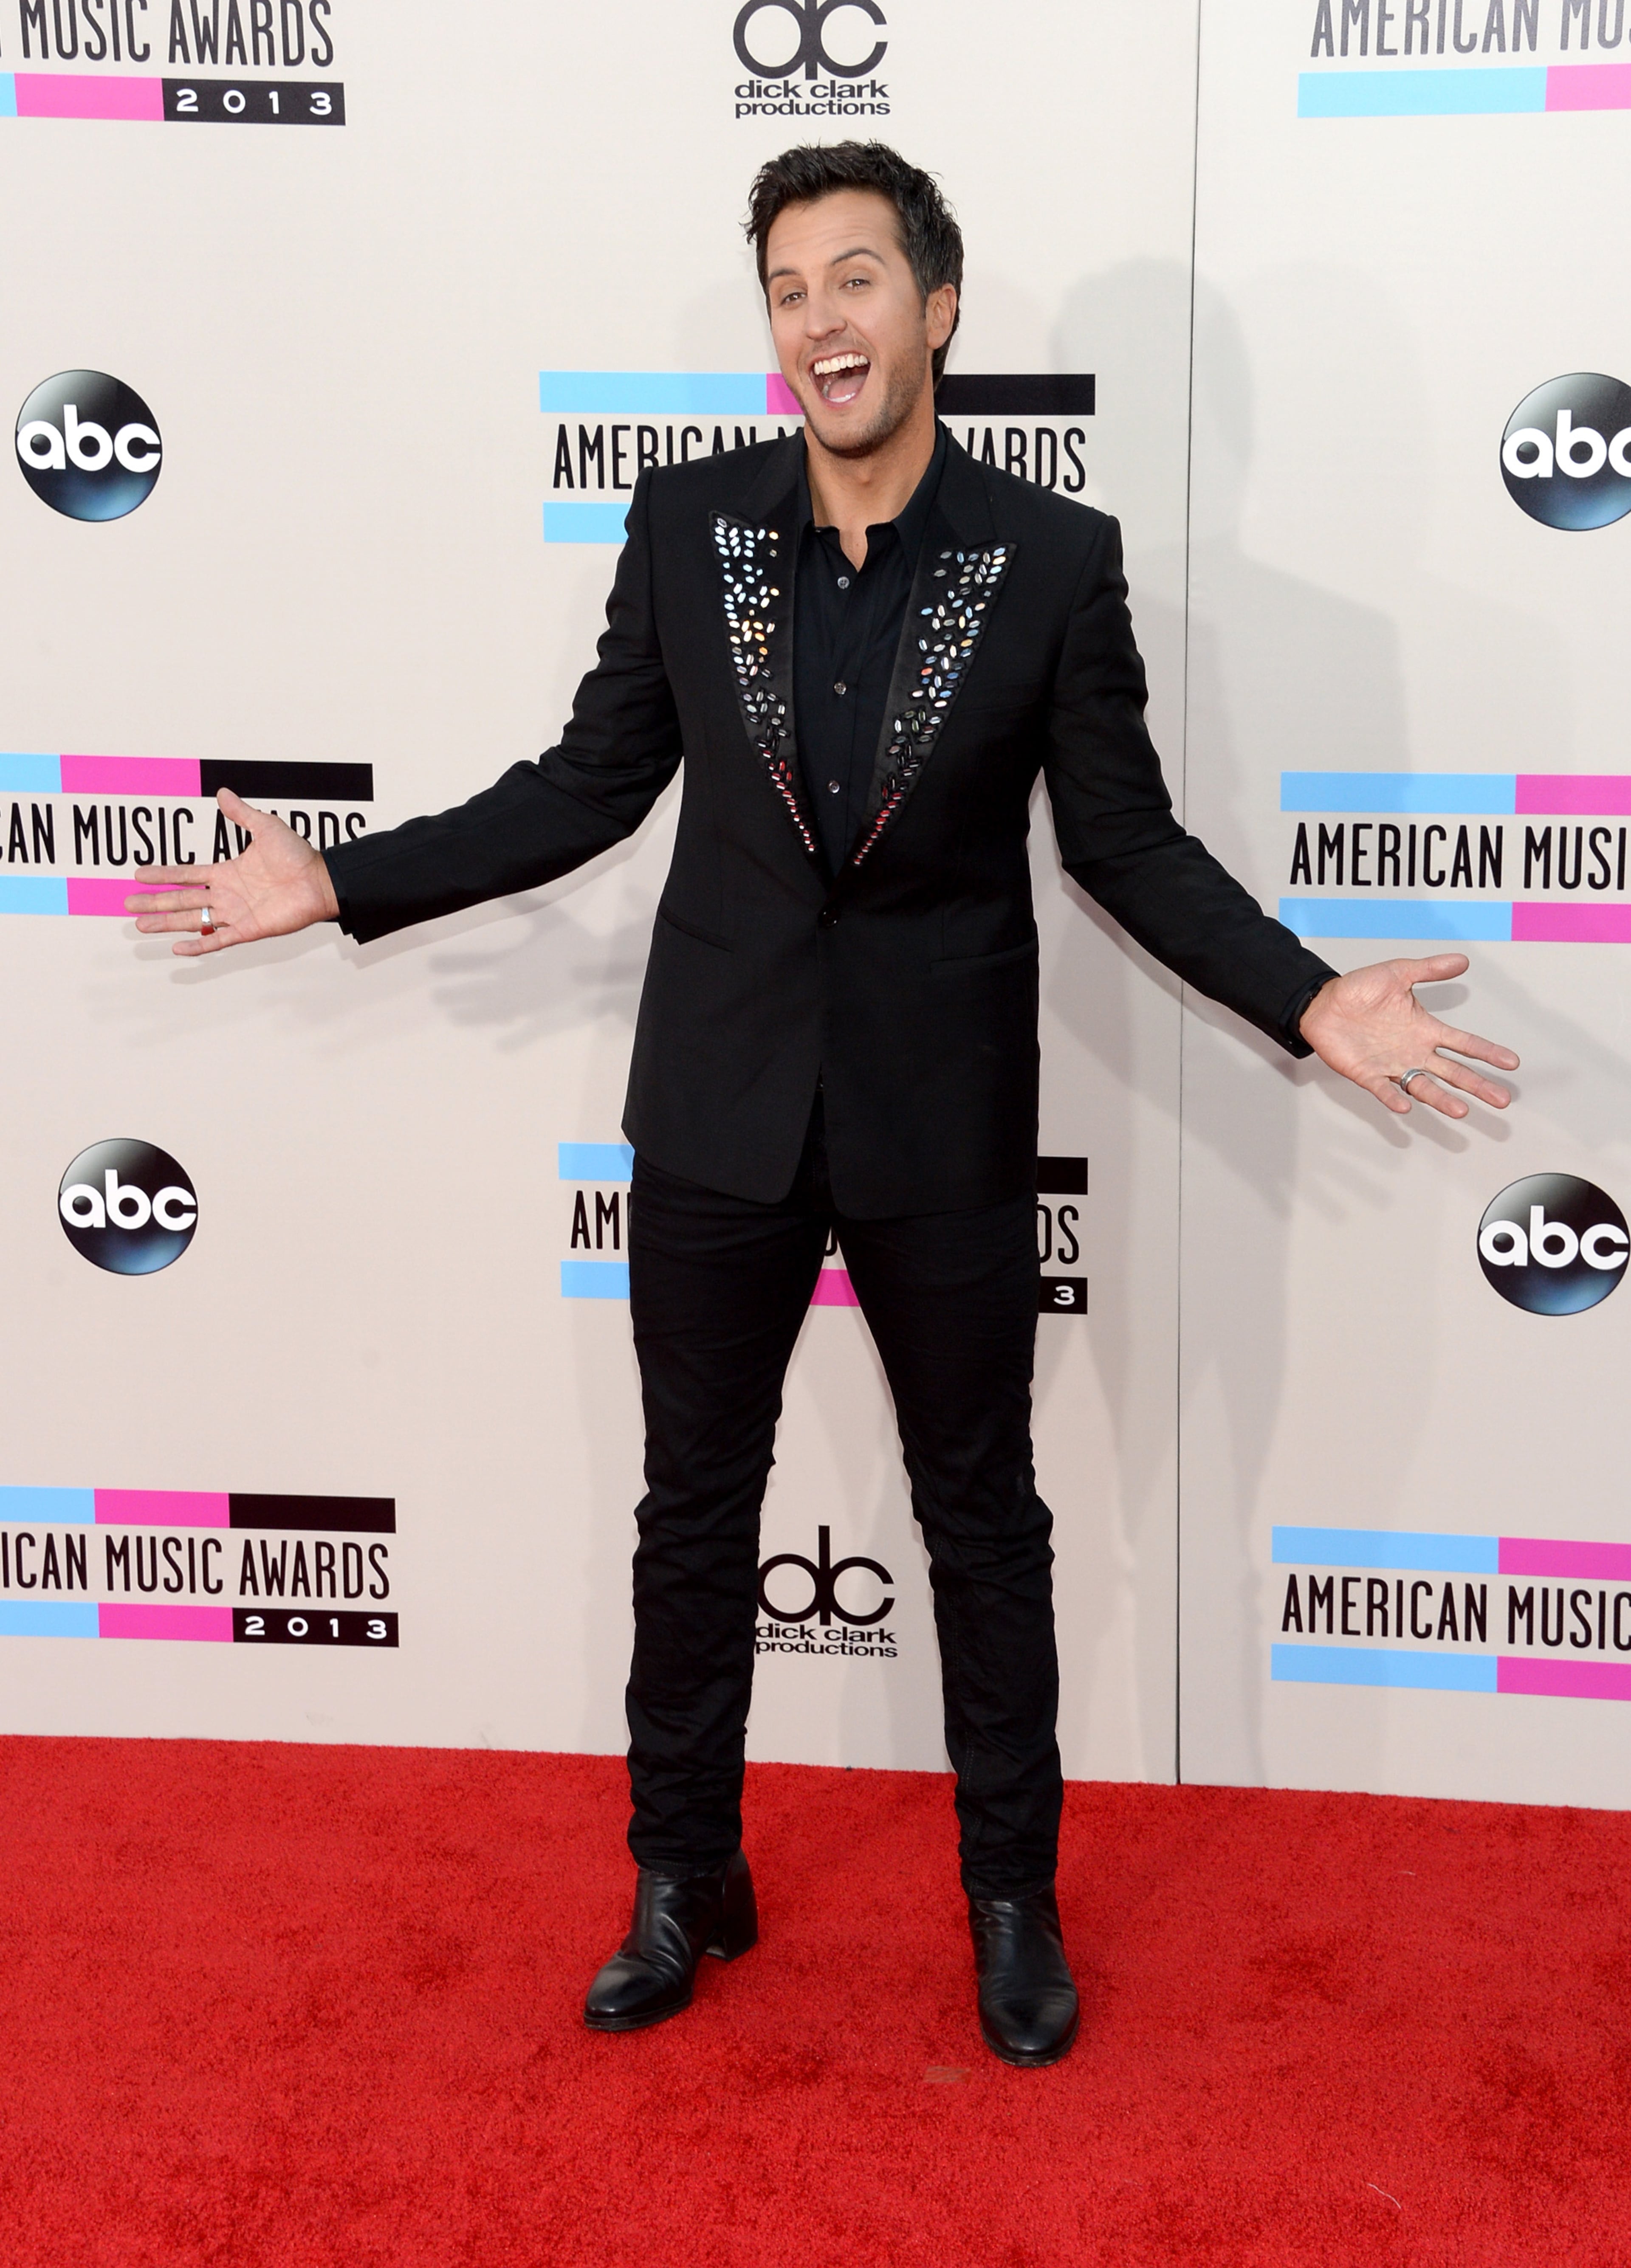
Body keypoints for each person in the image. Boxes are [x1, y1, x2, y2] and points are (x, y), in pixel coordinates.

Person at [127, 142, 1518, 2069]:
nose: (821, 321)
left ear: (937, 310)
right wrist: (339, 878)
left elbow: (1124, 845)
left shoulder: (1050, 561)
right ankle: (683, 1871)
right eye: (788, 289)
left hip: (940, 1122)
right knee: (693, 1513)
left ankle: (1011, 1899)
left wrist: (1303, 995)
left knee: (984, 1522)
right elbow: (584, 786)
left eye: (856, 280)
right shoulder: (688, 527)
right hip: (716, 1112)